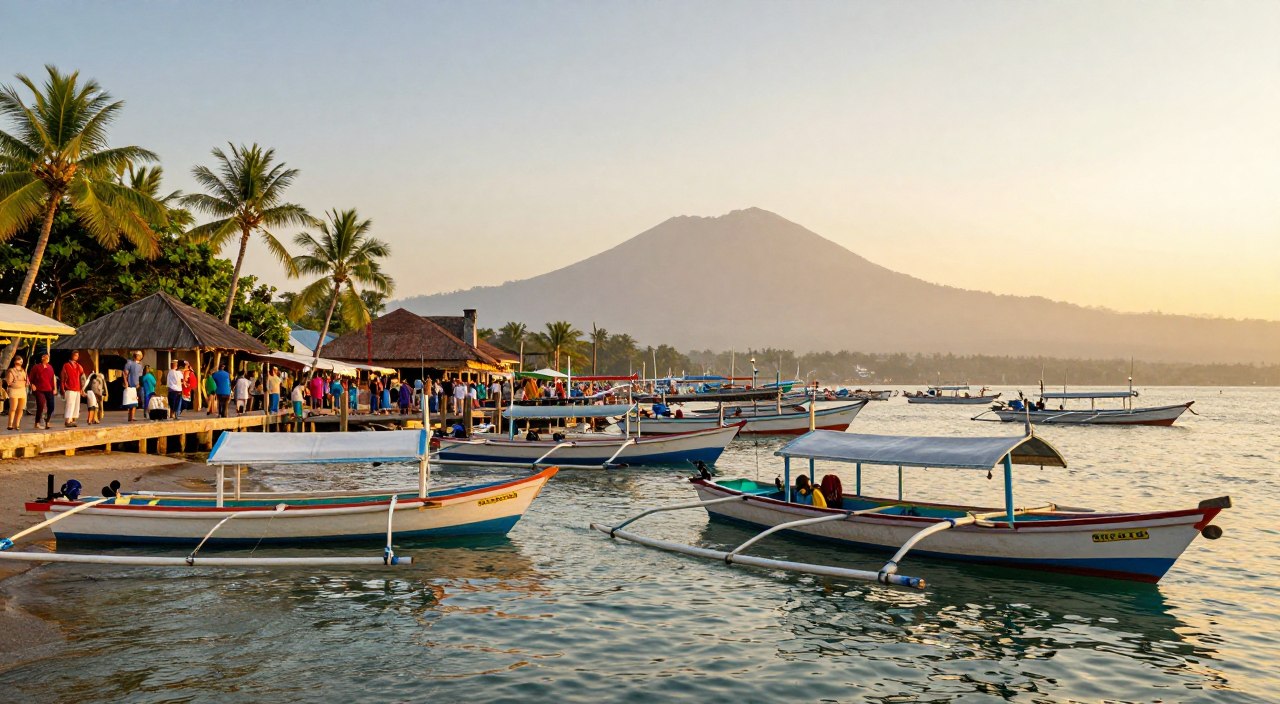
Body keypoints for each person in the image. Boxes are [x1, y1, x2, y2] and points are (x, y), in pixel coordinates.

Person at [28, 353, 56, 430]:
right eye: (45, 357)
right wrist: (32, 384)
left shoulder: (50, 367)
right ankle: (37, 422)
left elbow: (52, 378)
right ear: (42, 358)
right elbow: (30, 378)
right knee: (40, 405)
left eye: (48, 357)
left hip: (49, 389)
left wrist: (54, 388)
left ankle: (47, 420)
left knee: (51, 406)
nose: (47, 358)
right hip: (39, 389)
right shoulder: (36, 367)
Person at [60, 350, 85, 427]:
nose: (76, 357)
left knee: (76, 405)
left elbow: (82, 376)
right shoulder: (66, 365)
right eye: (75, 355)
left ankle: (71, 420)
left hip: (77, 388)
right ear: (71, 356)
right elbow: (62, 378)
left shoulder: (78, 366)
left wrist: (82, 388)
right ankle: (67, 420)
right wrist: (62, 388)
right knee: (70, 405)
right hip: (69, 388)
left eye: (77, 355)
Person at [4, 356, 28, 430]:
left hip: (22, 390)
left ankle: (17, 424)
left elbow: (26, 381)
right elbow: (9, 382)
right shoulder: (11, 370)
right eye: (18, 360)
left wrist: (25, 382)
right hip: (14, 390)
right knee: (13, 408)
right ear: (14, 361)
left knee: (21, 408)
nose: (20, 362)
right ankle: (10, 424)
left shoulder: (23, 370)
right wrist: (16, 382)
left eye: (21, 361)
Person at [122, 351, 144, 422]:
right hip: (131, 385)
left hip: (137, 386)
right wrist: (126, 383)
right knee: (131, 402)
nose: (141, 357)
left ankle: (131, 416)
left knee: (135, 401)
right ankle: (131, 417)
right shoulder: (130, 363)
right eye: (140, 355)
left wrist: (139, 384)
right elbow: (125, 373)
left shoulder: (140, 365)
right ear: (136, 356)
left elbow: (140, 376)